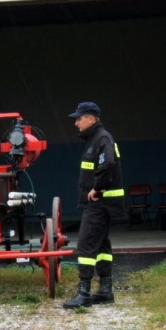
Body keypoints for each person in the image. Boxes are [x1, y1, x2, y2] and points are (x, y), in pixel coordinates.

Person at [63, 102, 125, 309]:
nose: (76, 123)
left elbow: (107, 164)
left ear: (91, 119)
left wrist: (96, 188)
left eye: (79, 118)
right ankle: (105, 290)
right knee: (101, 245)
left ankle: (84, 293)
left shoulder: (101, 138)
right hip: (102, 204)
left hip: (100, 203)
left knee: (86, 244)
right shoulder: (97, 139)